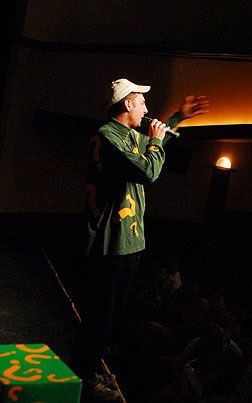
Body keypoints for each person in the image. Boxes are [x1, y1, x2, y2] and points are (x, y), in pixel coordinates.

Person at [70, 78, 208, 400]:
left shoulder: (127, 134)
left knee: (111, 314)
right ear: (128, 104)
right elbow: (148, 171)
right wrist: (156, 141)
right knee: (101, 315)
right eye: (142, 101)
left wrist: (178, 117)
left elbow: (152, 143)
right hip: (111, 242)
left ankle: (90, 367)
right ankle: (85, 377)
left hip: (128, 241)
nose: (147, 108)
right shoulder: (109, 136)